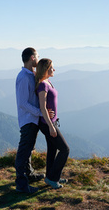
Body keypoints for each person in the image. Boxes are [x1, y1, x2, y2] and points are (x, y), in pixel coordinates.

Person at [14, 47, 46, 193]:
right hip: (28, 119)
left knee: (29, 150)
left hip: (32, 119)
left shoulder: (30, 75)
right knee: (23, 152)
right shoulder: (23, 77)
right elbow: (22, 102)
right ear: (32, 58)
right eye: (37, 56)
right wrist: (39, 112)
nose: (38, 59)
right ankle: (21, 184)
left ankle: (30, 174)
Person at [35, 58, 70, 189]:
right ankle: (53, 178)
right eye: (51, 68)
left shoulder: (48, 82)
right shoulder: (43, 85)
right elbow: (43, 107)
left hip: (51, 122)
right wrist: (50, 126)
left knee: (52, 150)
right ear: (45, 69)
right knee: (65, 149)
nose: (54, 69)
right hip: (47, 123)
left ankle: (50, 176)